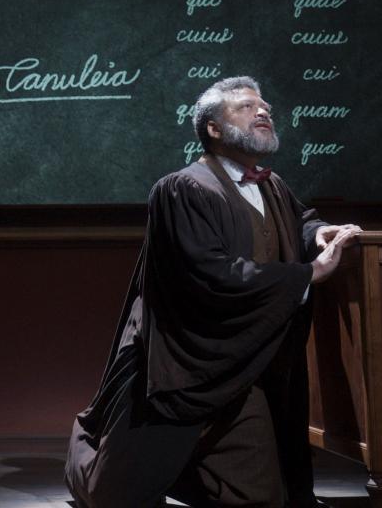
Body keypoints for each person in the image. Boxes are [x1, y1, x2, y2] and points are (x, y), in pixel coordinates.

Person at [65, 76, 361, 508]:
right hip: (189, 368)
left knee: (261, 498)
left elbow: (299, 220)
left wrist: (318, 232)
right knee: (115, 493)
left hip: (246, 366)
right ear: (213, 129)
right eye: (245, 107)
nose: (262, 112)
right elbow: (210, 273)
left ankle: (198, 472)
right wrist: (308, 274)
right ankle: (86, 459)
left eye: (265, 108)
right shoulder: (182, 189)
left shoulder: (271, 185)